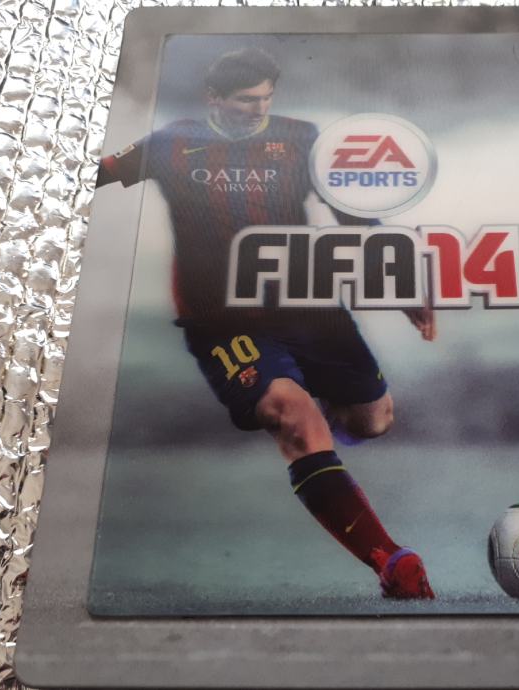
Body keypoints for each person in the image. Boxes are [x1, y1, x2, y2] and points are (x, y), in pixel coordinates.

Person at [96, 48, 435, 599]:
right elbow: (96, 174)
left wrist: (400, 284)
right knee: (291, 414)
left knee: (374, 420)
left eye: (265, 98)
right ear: (213, 98)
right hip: (223, 322)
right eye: (245, 100)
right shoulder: (171, 144)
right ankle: (390, 562)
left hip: (309, 306)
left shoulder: (301, 139)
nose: (258, 109)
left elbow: (350, 209)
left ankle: (322, 416)